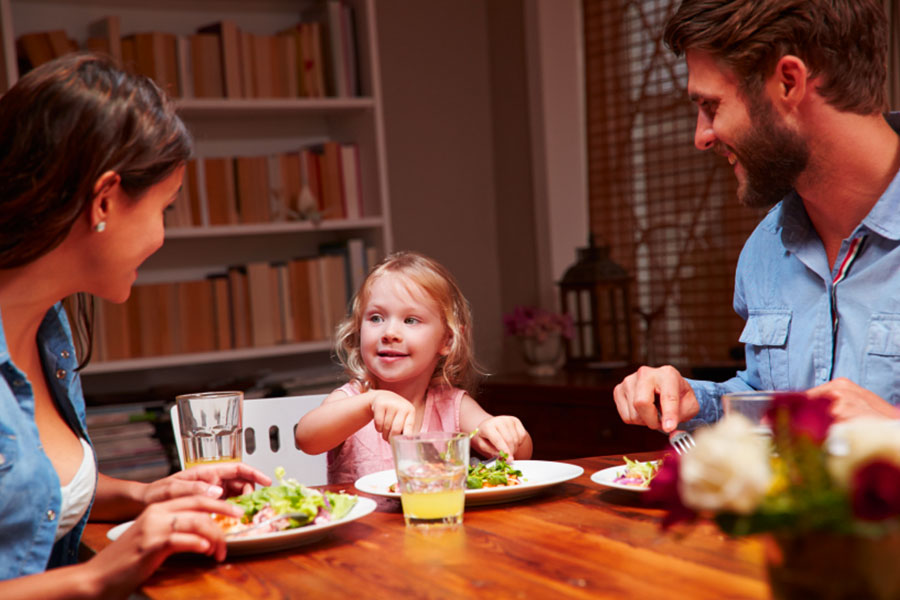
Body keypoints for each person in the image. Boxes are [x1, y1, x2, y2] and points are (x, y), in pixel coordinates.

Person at [0, 53, 271, 597]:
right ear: (104, 199)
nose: (162, 236)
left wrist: (149, 495)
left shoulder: (49, 330)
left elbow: (31, 491)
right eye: (164, 207)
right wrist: (95, 577)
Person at [613, 0, 900, 433]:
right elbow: (773, 401)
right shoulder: (765, 249)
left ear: (789, 82)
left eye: (711, 105)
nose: (701, 137)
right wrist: (696, 401)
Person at [295, 251, 533, 484]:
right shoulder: (355, 398)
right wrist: (370, 403)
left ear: (447, 340)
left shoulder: (452, 406)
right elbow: (306, 438)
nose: (389, 333)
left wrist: (505, 431)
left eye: (410, 320)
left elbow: (521, 455)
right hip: (365, 524)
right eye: (376, 318)